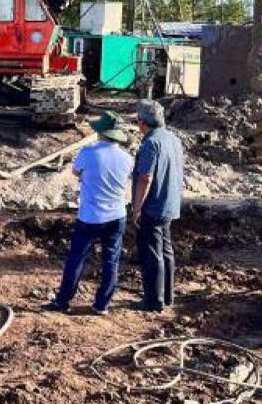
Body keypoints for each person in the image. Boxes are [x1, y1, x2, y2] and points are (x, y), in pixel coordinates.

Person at [43, 111, 133, 316]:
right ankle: (102, 304)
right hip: (117, 216)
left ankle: (63, 301)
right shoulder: (127, 159)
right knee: (111, 260)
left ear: (101, 132)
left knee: (77, 259)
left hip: (90, 216)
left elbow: (75, 172)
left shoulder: (88, 153)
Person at [130, 99, 185, 312]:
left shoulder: (151, 143)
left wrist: (136, 209)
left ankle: (154, 301)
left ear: (143, 122)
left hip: (153, 206)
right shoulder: (173, 139)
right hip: (170, 204)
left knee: (153, 254)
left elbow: (145, 178)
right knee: (166, 249)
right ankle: (168, 296)